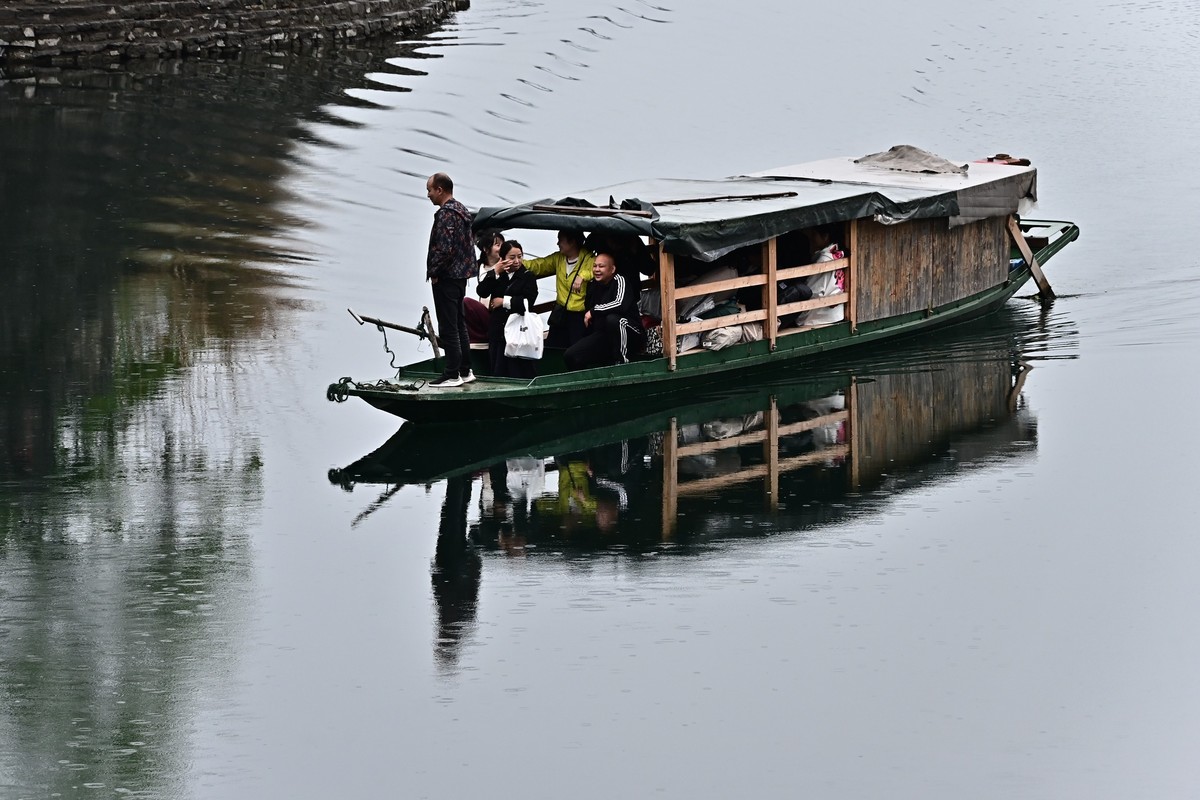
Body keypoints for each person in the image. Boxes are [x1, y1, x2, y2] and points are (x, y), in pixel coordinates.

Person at [425, 172, 477, 387]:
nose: (428, 195)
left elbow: (445, 249)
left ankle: (452, 374)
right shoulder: (462, 210)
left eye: (429, 190)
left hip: (447, 277)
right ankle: (465, 370)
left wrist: (434, 272)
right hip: (461, 276)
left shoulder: (446, 214)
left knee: (448, 327)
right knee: (459, 324)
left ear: (440, 189)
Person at [563, 252, 645, 370]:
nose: (597, 269)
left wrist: (594, 311)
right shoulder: (593, 286)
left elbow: (619, 304)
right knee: (570, 355)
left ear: (612, 269)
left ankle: (622, 364)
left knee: (613, 320)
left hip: (631, 334)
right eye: (595, 266)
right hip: (605, 336)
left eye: (601, 266)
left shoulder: (620, 280)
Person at [476, 239, 539, 378]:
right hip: (498, 330)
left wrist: (504, 302)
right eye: (512, 257)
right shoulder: (499, 275)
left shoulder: (527, 276)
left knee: (516, 370)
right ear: (502, 258)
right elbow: (482, 291)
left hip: (518, 331)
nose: (517, 261)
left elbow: (528, 302)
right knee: (497, 367)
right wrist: (495, 273)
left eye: (520, 256)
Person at [523, 230, 594, 349]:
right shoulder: (559, 258)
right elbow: (540, 265)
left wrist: (583, 276)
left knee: (575, 348)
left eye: (560, 240)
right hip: (561, 311)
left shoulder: (589, 258)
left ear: (572, 242)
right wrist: (518, 262)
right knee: (553, 346)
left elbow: (598, 269)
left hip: (578, 314)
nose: (558, 243)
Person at [794, 224, 847, 327]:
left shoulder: (824, 260)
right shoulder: (839, 254)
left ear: (825, 237)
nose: (812, 238)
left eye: (814, 234)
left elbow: (813, 291)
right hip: (836, 314)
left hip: (821, 317)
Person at [465, 229, 504, 346]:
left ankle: (482, 338)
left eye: (503, 244)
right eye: (498, 245)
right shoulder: (479, 266)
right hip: (486, 312)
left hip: (500, 314)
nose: (502, 248)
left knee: (466, 302)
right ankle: (474, 338)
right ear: (486, 249)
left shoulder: (507, 266)